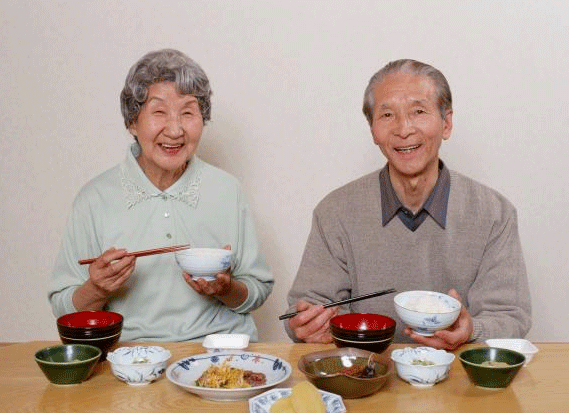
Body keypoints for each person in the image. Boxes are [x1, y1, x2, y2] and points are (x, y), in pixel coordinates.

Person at [285, 59, 531, 350]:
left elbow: (510, 317)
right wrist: (309, 325)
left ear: (446, 123)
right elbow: (308, 309)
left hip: (459, 381)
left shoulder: (493, 213)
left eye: (418, 111)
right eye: (387, 114)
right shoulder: (335, 211)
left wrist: (472, 329)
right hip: (365, 374)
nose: (403, 129)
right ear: (372, 129)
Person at [49, 49, 273, 342]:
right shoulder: (94, 199)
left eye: (188, 112)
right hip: (131, 357)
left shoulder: (228, 190)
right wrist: (97, 289)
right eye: (159, 112)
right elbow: (64, 310)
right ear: (132, 122)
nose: (175, 129)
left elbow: (258, 290)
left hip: (218, 350)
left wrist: (225, 288)